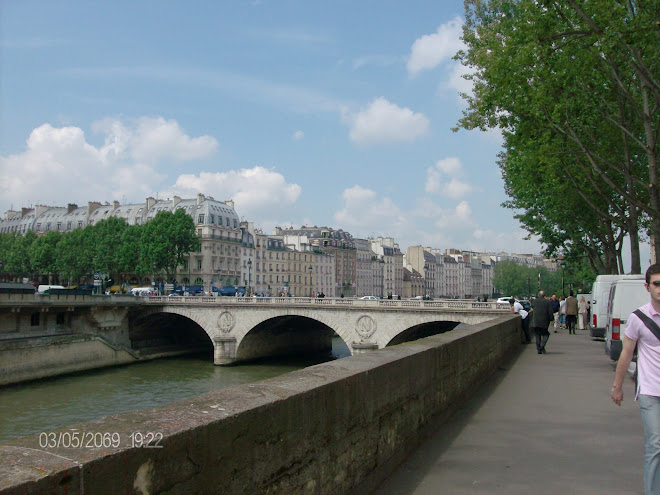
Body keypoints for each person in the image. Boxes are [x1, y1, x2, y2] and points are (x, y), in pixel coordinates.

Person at [612, 263, 660, 494]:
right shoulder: (638, 318)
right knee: (656, 444)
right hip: (651, 391)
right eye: (656, 284)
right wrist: (617, 387)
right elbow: (626, 353)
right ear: (647, 287)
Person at [531, 290, 554, 354]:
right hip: (544, 322)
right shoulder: (547, 302)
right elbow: (550, 312)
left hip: (536, 321)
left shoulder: (534, 301)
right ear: (544, 296)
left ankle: (539, 349)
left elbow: (532, 306)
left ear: (538, 295)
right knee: (546, 335)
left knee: (537, 335)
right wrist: (552, 319)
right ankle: (541, 346)